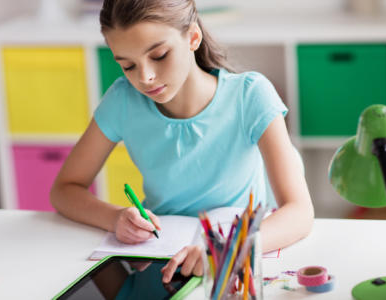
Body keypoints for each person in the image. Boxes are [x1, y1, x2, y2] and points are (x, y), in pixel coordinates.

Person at [50, 0, 314, 284]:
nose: (145, 77)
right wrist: (115, 218)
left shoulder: (250, 96)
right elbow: (65, 190)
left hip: (236, 268)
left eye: (160, 55)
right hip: (164, 262)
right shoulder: (123, 100)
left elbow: (299, 213)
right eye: (128, 66)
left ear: (193, 38)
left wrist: (226, 249)